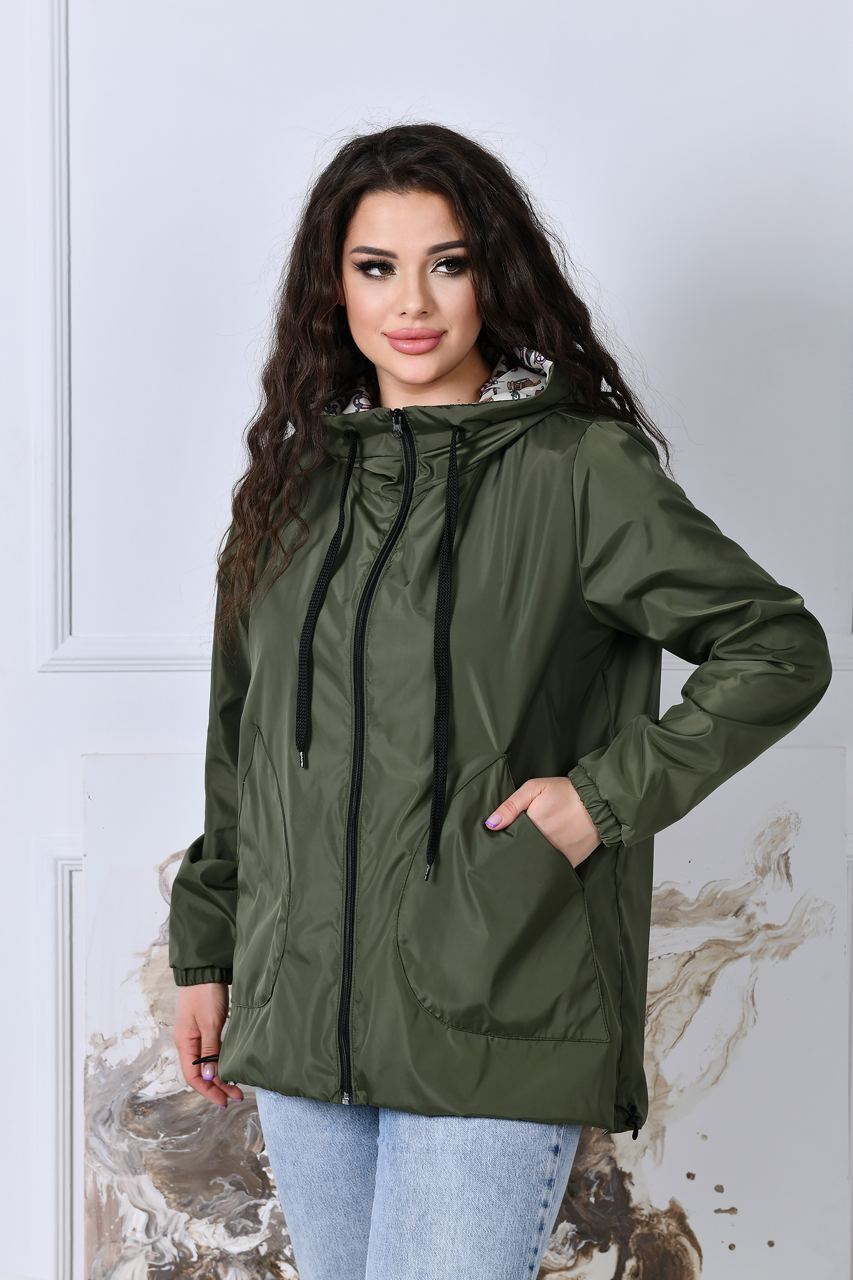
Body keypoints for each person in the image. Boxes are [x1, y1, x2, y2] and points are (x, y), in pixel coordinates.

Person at [168, 122, 832, 1279]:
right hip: (299, 1009)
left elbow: (773, 645)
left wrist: (599, 798)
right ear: (332, 286)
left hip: (497, 1002)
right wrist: (205, 949)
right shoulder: (289, 490)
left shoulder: (578, 471)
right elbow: (242, 740)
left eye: (449, 262)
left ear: (494, 276)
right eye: (376, 266)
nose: (411, 302)